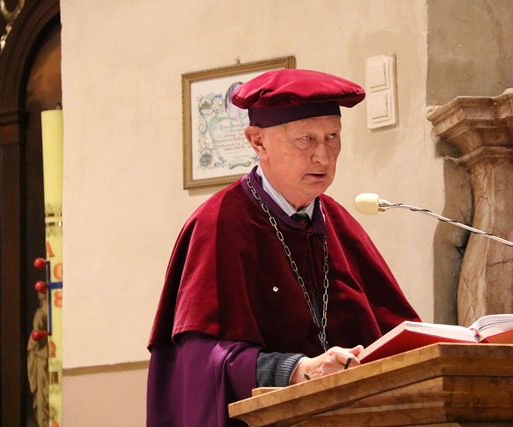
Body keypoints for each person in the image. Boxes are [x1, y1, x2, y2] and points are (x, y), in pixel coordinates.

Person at [147, 68, 420, 426]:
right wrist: (297, 369)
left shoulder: (339, 223)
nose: (323, 156)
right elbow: (201, 364)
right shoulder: (218, 224)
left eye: (333, 137)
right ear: (258, 142)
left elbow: (395, 334)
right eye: (306, 139)